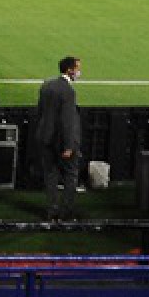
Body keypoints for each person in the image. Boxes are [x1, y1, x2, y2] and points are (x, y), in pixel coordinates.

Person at [33, 56, 84, 221]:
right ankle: (66, 213)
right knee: (70, 175)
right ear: (69, 70)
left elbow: (39, 112)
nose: (79, 72)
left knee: (50, 175)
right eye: (77, 69)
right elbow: (67, 120)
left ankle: (52, 211)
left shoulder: (47, 85)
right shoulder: (68, 91)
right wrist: (69, 145)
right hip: (62, 141)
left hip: (44, 138)